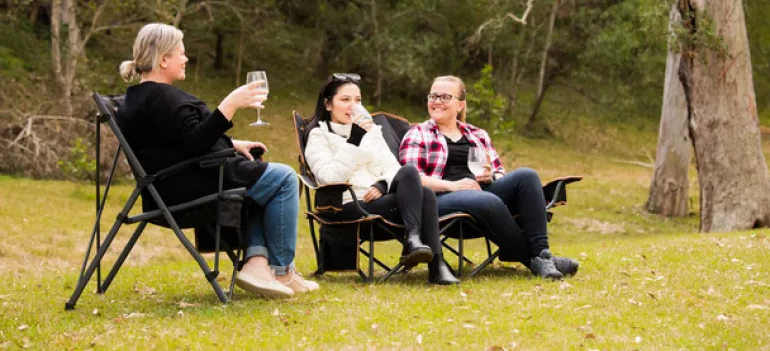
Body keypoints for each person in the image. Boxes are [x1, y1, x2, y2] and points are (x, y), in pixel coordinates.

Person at [117, 23, 318, 298]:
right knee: (283, 178)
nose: (186, 59)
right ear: (163, 59)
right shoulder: (161, 97)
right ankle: (283, 272)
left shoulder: (139, 98)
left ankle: (257, 264)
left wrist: (232, 144)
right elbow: (194, 142)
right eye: (181, 53)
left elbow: (172, 142)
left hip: (173, 185)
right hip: (194, 185)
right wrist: (231, 104)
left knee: (261, 180)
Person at [399, 75, 578, 280]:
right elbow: (412, 179)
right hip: (439, 199)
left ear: (460, 104)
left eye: (445, 97)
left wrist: (490, 176)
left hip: (479, 192)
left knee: (527, 176)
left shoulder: (477, 134)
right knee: (487, 200)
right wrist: (452, 186)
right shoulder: (418, 134)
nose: (437, 101)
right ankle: (536, 260)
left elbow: (499, 171)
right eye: (433, 96)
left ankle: (542, 254)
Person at [303, 74, 459, 285]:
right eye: (345, 100)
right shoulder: (318, 136)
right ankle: (433, 262)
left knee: (412, 175)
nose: (353, 106)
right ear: (328, 104)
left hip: (378, 200)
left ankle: (415, 242)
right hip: (347, 205)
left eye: (357, 100)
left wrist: (383, 184)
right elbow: (328, 178)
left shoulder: (371, 131)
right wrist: (354, 140)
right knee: (426, 195)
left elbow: (393, 168)